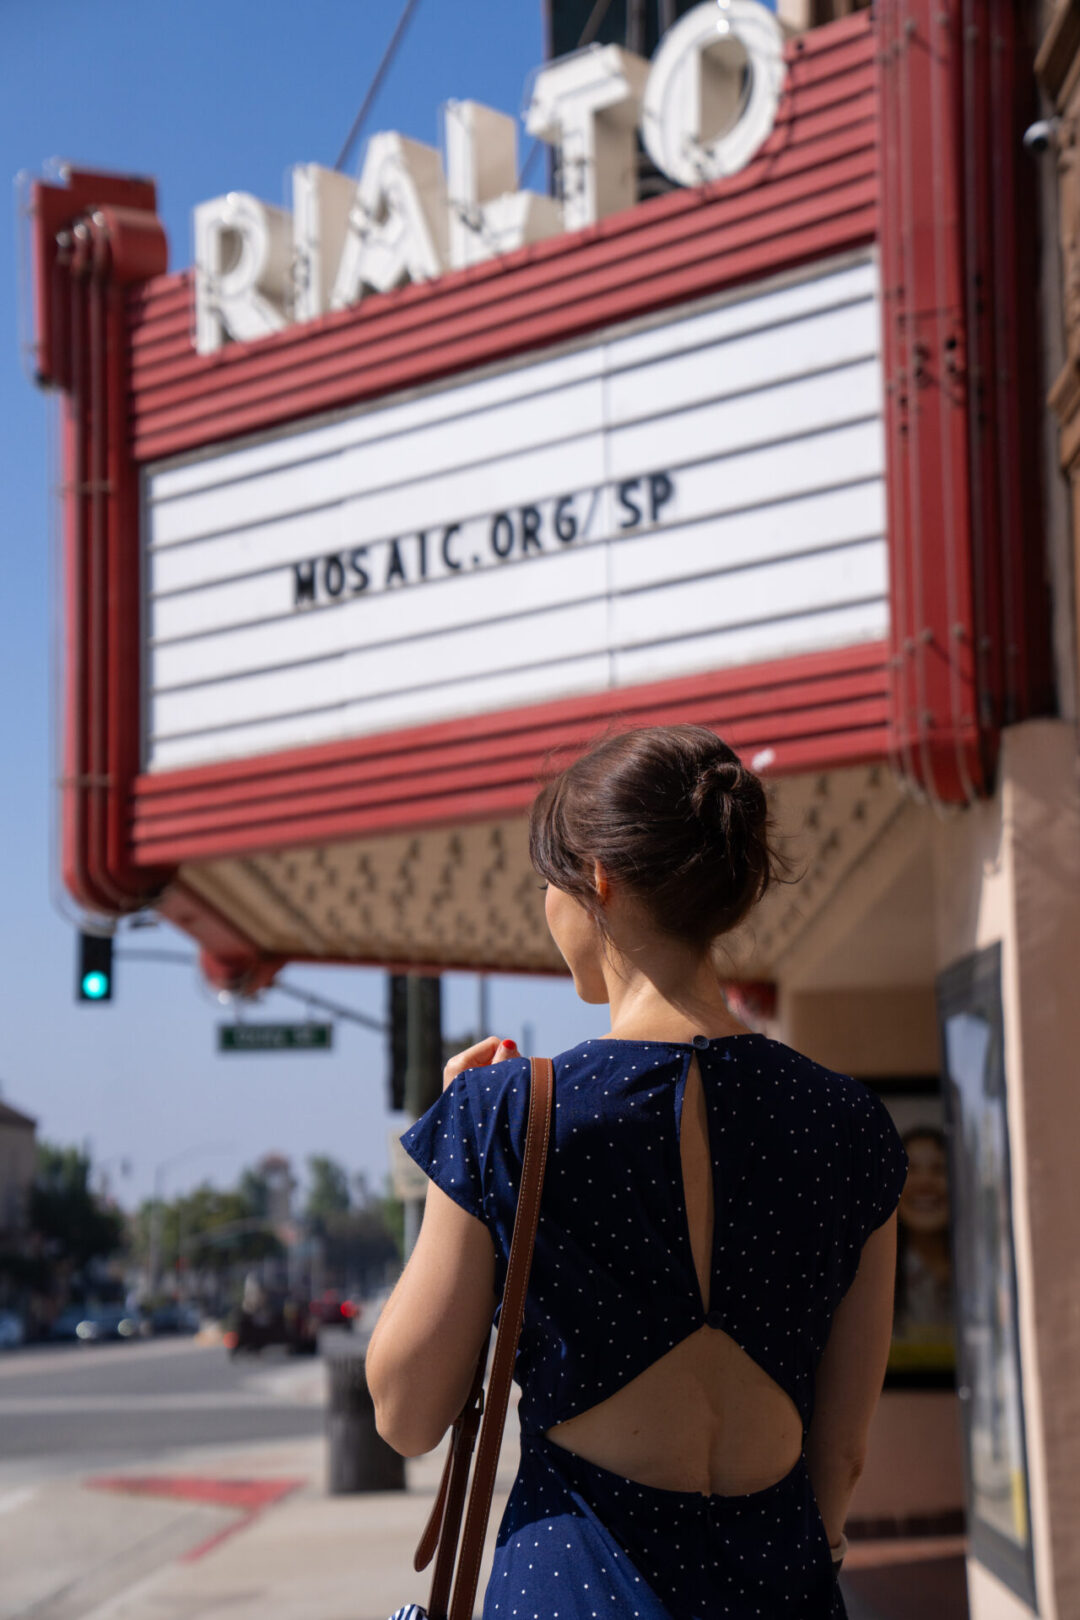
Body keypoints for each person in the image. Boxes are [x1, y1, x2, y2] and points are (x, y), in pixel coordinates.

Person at [366, 725, 909, 1618]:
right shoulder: (849, 1124)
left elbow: (404, 1413)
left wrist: (454, 1160)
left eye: (552, 879)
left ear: (599, 882)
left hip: (569, 1586)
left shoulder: (505, 1111)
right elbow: (841, 1453)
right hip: (782, 1588)